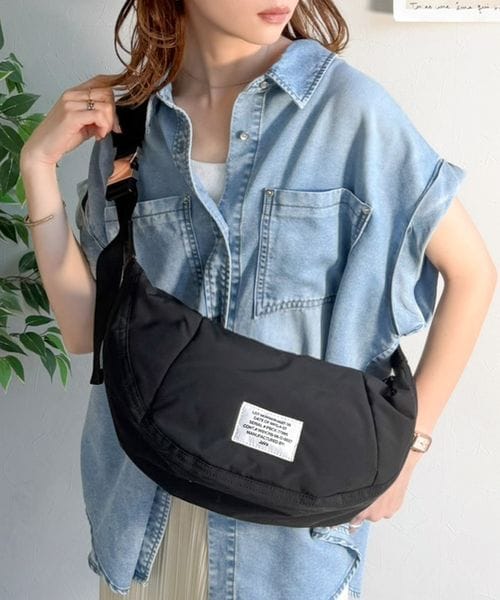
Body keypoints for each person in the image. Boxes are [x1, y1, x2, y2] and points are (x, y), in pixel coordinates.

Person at [19, 0, 497, 598]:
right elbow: (86, 330)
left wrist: (410, 451)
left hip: (287, 541)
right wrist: (38, 166)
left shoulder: (348, 112)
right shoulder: (132, 127)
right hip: (144, 515)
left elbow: (473, 274)